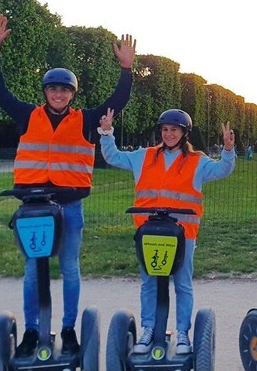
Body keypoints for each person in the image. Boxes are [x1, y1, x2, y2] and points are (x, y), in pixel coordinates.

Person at [0, 13, 136, 357]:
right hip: (33, 205)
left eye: (64, 89)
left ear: (72, 94)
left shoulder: (84, 120)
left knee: (69, 267)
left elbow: (117, 103)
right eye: (53, 88)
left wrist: (126, 70)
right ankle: (32, 330)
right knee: (31, 272)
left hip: (69, 205)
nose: (58, 94)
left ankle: (68, 329)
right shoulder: (28, 115)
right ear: (46, 92)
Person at [99, 108, 235, 355]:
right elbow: (113, 157)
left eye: (174, 130)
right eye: (165, 130)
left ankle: (182, 332)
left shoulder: (198, 161)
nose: (169, 134)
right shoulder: (144, 156)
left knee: (182, 283)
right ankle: (149, 328)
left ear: (184, 133)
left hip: (183, 233)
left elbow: (222, 171)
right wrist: (107, 133)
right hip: (148, 232)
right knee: (148, 282)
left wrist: (227, 150)